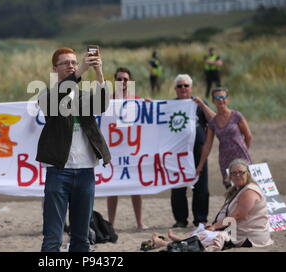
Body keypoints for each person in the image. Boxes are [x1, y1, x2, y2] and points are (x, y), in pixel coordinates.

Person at [36, 47, 111, 252]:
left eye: (74, 62)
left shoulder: (83, 96)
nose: (71, 65)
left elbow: (103, 104)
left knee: (82, 237)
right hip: (59, 171)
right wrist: (80, 72)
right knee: (53, 237)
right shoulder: (46, 94)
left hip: (86, 170)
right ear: (54, 69)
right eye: (66, 63)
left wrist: (98, 71)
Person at [148, 159, 273, 251]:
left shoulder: (249, 191)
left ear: (248, 174)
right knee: (204, 232)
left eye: (241, 172)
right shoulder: (240, 189)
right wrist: (215, 226)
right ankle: (170, 242)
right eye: (234, 173)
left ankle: (166, 243)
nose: (238, 175)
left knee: (208, 236)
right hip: (238, 231)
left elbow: (238, 216)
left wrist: (215, 227)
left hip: (249, 237)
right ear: (230, 176)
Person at [170, 74, 216, 228]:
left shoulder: (198, 104)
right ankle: (180, 220)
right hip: (177, 153)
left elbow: (214, 121)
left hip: (198, 151)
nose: (183, 88)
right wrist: (150, 105)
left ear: (191, 87)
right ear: (175, 89)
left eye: (186, 85)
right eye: (180, 86)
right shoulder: (170, 105)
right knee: (177, 187)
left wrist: (202, 105)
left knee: (201, 186)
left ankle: (200, 219)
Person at [107, 67, 147, 230]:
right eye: (119, 79)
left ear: (130, 82)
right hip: (113, 150)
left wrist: (150, 105)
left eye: (125, 79)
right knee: (112, 187)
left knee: (135, 187)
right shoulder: (108, 101)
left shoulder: (137, 100)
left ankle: (139, 222)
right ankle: (111, 224)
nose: (122, 82)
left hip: (132, 150)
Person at [196, 87, 252, 188]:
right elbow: (207, 146)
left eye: (223, 97)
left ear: (227, 99)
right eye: (217, 98)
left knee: (246, 187)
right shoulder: (212, 123)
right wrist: (200, 165)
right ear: (213, 101)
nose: (221, 100)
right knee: (230, 188)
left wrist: (244, 151)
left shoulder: (236, 116)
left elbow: (248, 136)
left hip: (241, 157)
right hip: (225, 160)